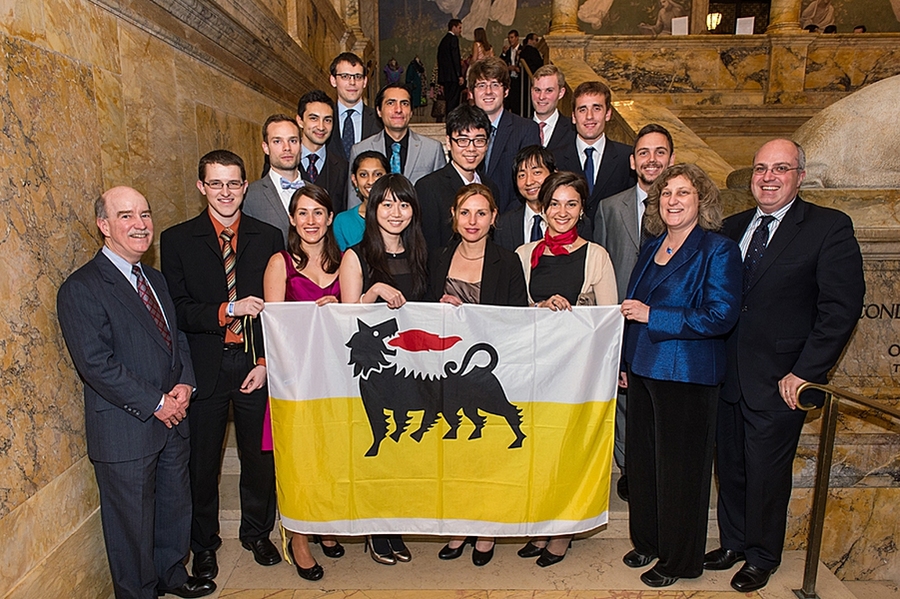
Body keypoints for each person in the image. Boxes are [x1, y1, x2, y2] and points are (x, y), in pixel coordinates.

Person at [705, 139, 865, 592]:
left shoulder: (828, 227)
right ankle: (734, 542)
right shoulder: (731, 228)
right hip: (727, 374)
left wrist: (806, 371)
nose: (768, 177)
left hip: (783, 380)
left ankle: (762, 555)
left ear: (800, 176)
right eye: (760, 169)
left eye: (780, 168)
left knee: (767, 473)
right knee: (731, 466)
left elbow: (842, 307)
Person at [57, 187, 215, 599]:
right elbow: (96, 364)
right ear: (104, 226)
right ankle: (138, 592)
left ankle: (172, 576)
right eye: (126, 216)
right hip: (127, 427)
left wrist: (185, 384)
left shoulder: (156, 279)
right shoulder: (83, 287)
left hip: (173, 419)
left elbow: (176, 337)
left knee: (173, 508)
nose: (140, 224)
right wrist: (157, 402)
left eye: (145, 214)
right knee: (130, 524)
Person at [160, 150, 285, 583]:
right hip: (204, 367)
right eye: (216, 184)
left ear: (245, 186)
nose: (225, 192)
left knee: (259, 458)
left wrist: (268, 361)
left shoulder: (269, 236)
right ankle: (205, 545)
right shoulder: (176, 240)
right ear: (201, 187)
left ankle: (257, 533)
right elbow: (177, 309)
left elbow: (278, 311)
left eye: (233, 183)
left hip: (254, 365)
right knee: (202, 463)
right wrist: (226, 309)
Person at [619, 163, 742, 588]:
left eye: (682, 193)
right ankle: (650, 541)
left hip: (687, 375)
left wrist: (655, 315)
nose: (672, 200)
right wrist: (623, 362)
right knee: (645, 465)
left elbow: (720, 316)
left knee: (681, 473)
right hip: (644, 368)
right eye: (665, 193)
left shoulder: (717, 250)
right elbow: (630, 310)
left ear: (701, 200)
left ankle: (680, 560)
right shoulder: (651, 246)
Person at [514, 171, 618, 567]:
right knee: (538, 451)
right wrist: (537, 308)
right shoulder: (525, 255)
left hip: (577, 372)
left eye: (571, 204)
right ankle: (541, 524)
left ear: (581, 211)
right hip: (535, 369)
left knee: (569, 449)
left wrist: (577, 313)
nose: (562, 211)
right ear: (542, 208)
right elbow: (508, 313)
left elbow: (608, 320)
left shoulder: (597, 256)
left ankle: (562, 533)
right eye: (554, 203)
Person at [430, 184, 528, 567]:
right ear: (454, 217)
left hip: (488, 370)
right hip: (448, 371)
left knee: (486, 452)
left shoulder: (507, 260)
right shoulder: (438, 258)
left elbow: (517, 317)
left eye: (481, 213)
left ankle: (486, 530)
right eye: (465, 213)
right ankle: (459, 526)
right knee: (456, 452)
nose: (473, 221)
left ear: (494, 218)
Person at [338, 174, 428, 564]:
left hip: (413, 369)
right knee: (380, 445)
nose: (396, 213)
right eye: (386, 204)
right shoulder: (356, 256)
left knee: (406, 450)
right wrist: (373, 292)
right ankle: (376, 530)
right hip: (375, 375)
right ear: (372, 209)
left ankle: (396, 524)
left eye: (403, 204)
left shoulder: (423, 253)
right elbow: (346, 320)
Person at [262, 183, 343, 581]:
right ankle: (298, 539)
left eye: (319, 213)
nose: (311, 221)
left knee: (328, 456)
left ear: (330, 218)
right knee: (297, 460)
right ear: (292, 219)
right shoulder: (280, 263)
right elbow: (273, 327)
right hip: (295, 378)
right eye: (303, 213)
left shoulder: (345, 261)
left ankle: (325, 524)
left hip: (333, 377)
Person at [594, 123, 676, 500]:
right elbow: (598, 263)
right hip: (622, 319)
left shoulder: (682, 208)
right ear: (632, 161)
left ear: (671, 159)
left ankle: (661, 466)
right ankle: (629, 467)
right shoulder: (611, 208)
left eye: (660, 152)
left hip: (668, 323)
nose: (652, 159)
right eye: (644, 152)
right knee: (624, 400)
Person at [416, 103, 499, 253]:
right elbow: (428, 249)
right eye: (463, 140)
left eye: (479, 140)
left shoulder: (491, 188)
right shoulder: (428, 187)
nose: (471, 148)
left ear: (487, 144)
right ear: (449, 143)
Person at [348, 83, 446, 205]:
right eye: (390, 103)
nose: (398, 109)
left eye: (404, 104)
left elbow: (442, 197)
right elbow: (354, 200)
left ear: (411, 112)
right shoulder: (360, 149)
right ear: (379, 111)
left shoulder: (432, 150)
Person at [556, 81, 636, 224]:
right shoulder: (555, 157)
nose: (589, 116)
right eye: (582, 109)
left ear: (608, 113)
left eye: (597, 108)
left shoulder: (627, 157)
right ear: (573, 117)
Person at [469, 57, 541, 213]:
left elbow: (530, 183)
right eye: (481, 85)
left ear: (506, 91)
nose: (488, 91)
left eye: (495, 85)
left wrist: (506, 224)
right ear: (471, 93)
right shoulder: (463, 133)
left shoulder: (526, 129)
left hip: (510, 223)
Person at [243, 114, 304, 243]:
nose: (287, 147)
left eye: (293, 140)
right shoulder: (249, 195)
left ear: (301, 145)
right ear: (266, 147)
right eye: (277, 141)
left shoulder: (319, 193)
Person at [297, 90, 349, 212]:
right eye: (314, 118)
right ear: (300, 121)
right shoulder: (283, 160)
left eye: (327, 120)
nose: (321, 127)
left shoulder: (343, 168)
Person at [327, 52, 383, 162]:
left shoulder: (379, 120)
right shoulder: (324, 119)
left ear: (365, 81)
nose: (352, 82)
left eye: (358, 77)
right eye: (345, 76)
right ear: (333, 80)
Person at [334, 150, 389, 250]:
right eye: (364, 175)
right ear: (354, 180)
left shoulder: (397, 216)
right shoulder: (343, 221)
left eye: (378, 174)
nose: (371, 181)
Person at [530, 65, 574, 157]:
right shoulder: (517, 130)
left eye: (549, 91)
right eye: (537, 90)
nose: (541, 97)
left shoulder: (574, 130)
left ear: (561, 93)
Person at [438, 19, 465, 113]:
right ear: (454, 27)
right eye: (459, 27)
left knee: (448, 100)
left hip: (445, 77)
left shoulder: (443, 40)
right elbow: (455, 58)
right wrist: (459, 75)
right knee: (454, 101)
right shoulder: (453, 39)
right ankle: (452, 120)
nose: (460, 30)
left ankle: (448, 118)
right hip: (453, 76)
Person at [499, 30, 524, 114]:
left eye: (512, 37)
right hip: (510, 79)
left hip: (519, 80)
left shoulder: (523, 49)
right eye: (509, 38)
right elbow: (501, 62)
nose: (510, 40)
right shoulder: (508, 51)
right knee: (507, 101)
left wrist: (518, 69)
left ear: (517, 38)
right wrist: (503, 54)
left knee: (517, 102)